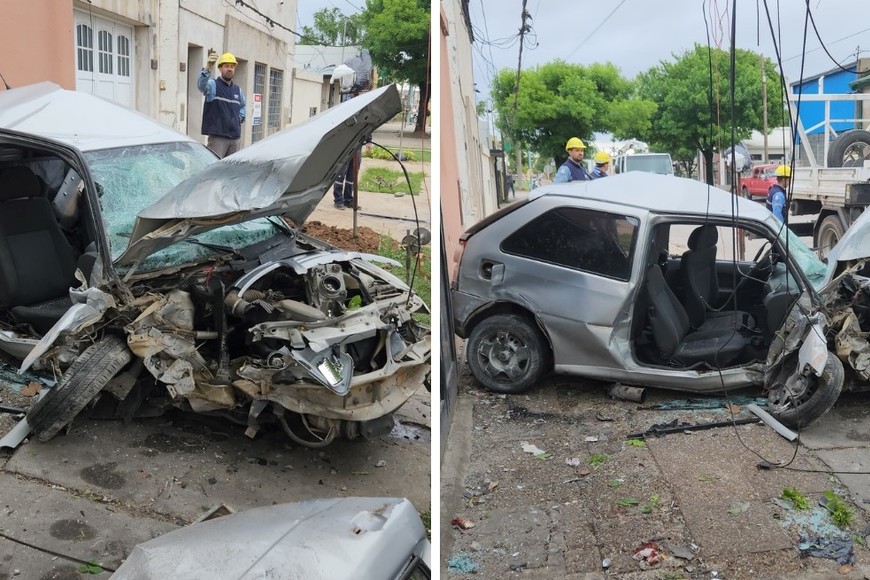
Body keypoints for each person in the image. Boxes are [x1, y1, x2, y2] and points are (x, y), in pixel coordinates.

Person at [197, 51, 246, 158]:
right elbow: (201, 86)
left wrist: (240, 118)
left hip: (235, 139)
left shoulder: (238, 90)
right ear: (220, 68)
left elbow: (243, 106)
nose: (229, 69)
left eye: (232, 66)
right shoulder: (213, 85)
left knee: (232, 170)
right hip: (218, 138)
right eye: (226, 66)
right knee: (214, 167)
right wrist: (207, 68)